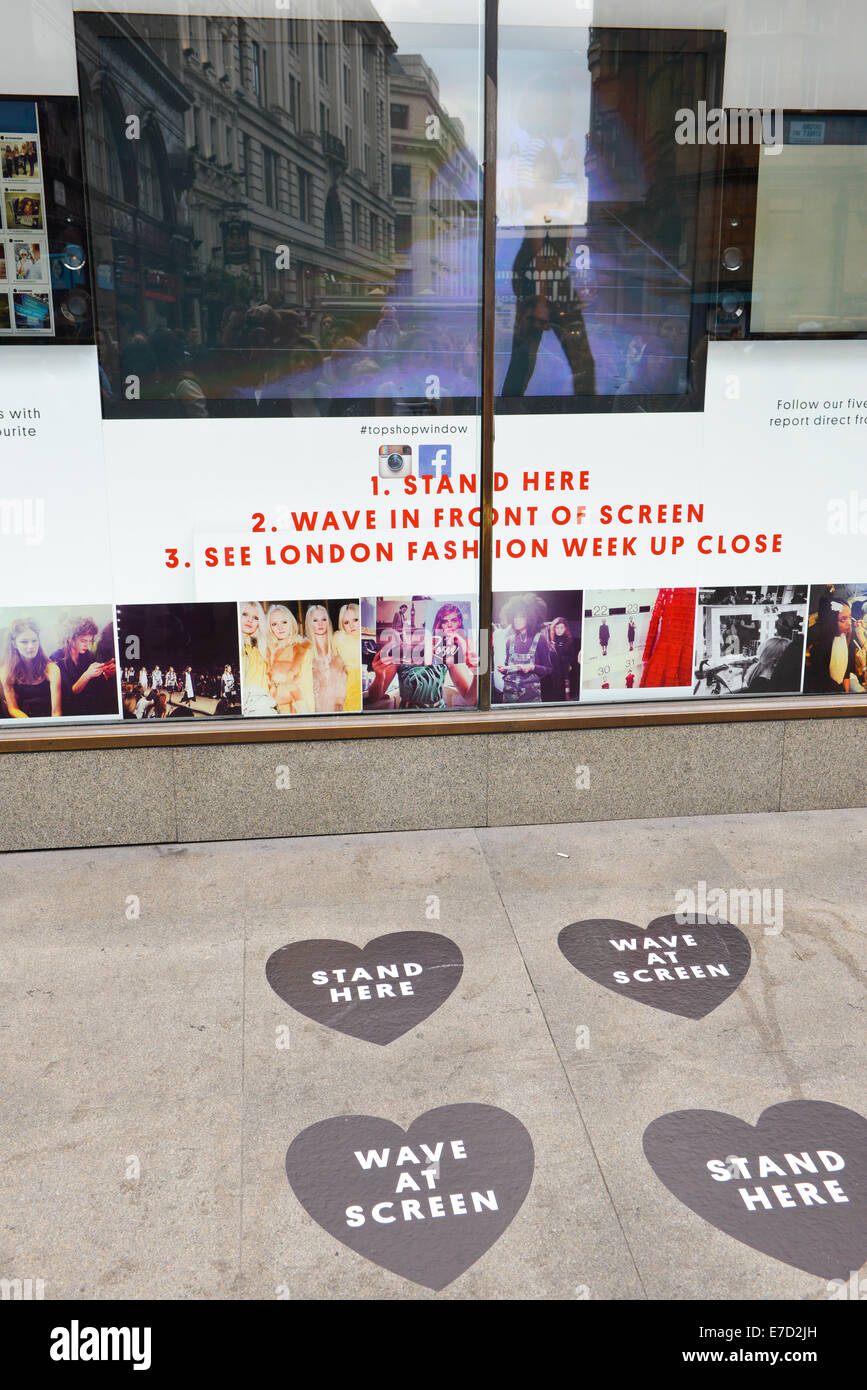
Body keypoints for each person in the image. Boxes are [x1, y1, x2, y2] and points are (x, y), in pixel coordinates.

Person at [50, 615, 116, 717]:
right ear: (70, 639)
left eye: (90, 641)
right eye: (83, 641)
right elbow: (68, 694)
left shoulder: (87, 655)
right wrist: (87, 675)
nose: (87, 645)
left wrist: (106, 673)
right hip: (70, 711)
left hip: (89, 707)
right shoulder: (56, 659)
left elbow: (94, 686)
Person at [1, 618, 61, 717]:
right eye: (24, 642)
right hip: (24, 722)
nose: (31, 646)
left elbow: (56, 712)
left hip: (48, 720)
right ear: (14, 644)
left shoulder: (52, 669)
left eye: (34, 641)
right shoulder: (6, 670)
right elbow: (13, 708)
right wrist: (31, 725)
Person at [498, 593, 551, 704]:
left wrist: (532, 667)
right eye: (515, 617)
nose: (517, 620)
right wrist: (504, 669)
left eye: (521, 616)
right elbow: (507, 665)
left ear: (530, 617)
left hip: (530, 698)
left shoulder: (539, 639)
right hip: (509, 697)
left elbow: (548, 669)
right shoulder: (510, 641)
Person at [266, 604, 313, 714]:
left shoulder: (301, 650)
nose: (280, 627)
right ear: (270, 627)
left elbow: (308, 689)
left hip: (295, 711)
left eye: (284, 622)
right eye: (274, 624)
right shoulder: (266, 651)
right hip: (269, 711)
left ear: (291, 623)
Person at [806, 600, 860, 694]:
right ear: (831, 621)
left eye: (850, 618)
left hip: (840, 689)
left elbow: (846, 673)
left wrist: (846, 693)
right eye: (843, 619)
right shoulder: (820, 646)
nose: (849, 623)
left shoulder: (847, 638)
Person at [304, 605, 347, 713]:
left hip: (342, 709)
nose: (320, 624)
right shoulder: (305, 651)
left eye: (324, 619)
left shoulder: (339, 645)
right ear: (309, 623)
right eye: (315, 620)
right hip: (317, 712)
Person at [239, 601, 277, 716]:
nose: (250, 620)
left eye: (255, 617)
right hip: (247, 705)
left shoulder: (261, 649)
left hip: (264, 705)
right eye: (245, 614)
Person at [542, 616, 580, 702]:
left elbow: (572, 657)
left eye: (561, 628)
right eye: (557, 628)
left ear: (565, 629)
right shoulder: (550, 641)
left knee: (563, 695)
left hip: (564, 673)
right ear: (554, 628)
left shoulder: (569, 641)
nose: (559, 630)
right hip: (552, 674)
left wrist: (564, 659)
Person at [332, 603, 362, 712]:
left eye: (355, 620)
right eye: (346, 622)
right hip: (349, 689)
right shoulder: (338, 640)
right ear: (342, 625)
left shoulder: (369, 639)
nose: (351, 625)